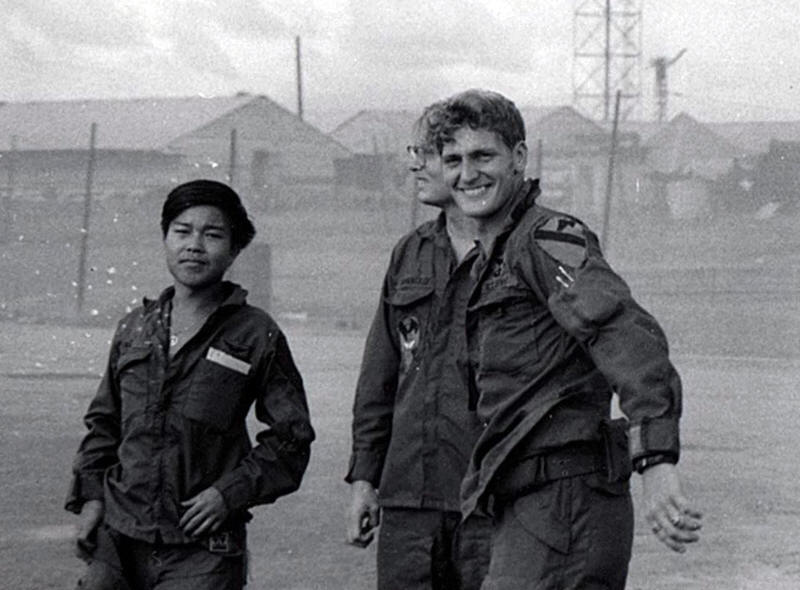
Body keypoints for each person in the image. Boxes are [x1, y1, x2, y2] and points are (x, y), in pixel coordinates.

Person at [433, 89, 703, 589]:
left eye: (483, 156)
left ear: (518, 157)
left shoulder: (545, 239)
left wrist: (655, 458)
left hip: (562, 505)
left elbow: (624, 333)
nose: (467, 174)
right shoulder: (494, 256)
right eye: (453, 160)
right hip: (533, 503)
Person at [65, 179, 315, 590]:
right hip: (118, 541)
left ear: (234, 249)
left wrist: (228, 494)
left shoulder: (255, 334)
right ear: (166, 239)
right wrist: (92, 500)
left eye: (212, 235)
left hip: (203, 552)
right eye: (182, 231)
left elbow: (292, 437)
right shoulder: (134, 329)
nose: (195, 245)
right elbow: (104, 425)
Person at [345, 103, 492, 590]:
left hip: (492, 502)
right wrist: (364, 480)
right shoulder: (410, 253)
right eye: (416, 151)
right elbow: (380, 376)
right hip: (410, 501)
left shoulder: (521, 252)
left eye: (428, 153)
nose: (414, 165)